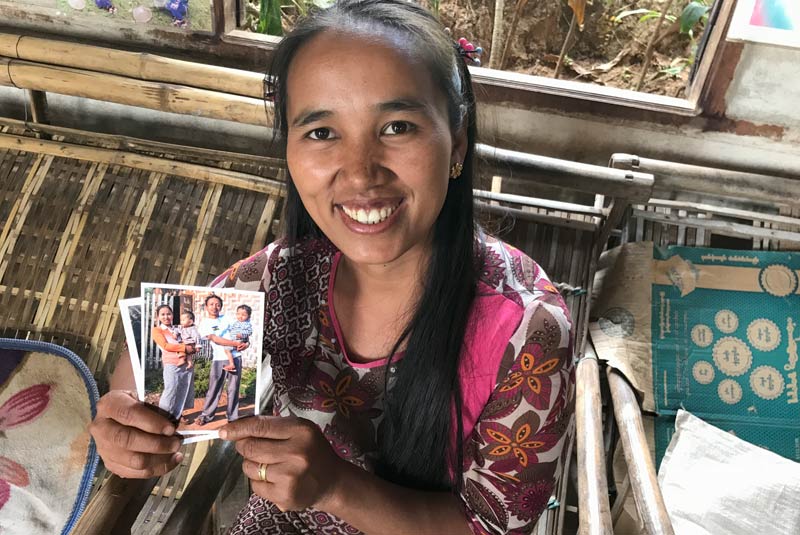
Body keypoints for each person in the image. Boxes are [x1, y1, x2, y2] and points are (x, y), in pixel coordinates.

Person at [88, 1, 575, 533]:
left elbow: (495, 527)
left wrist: (336, 487)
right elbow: (156, 362)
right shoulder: (288, 275)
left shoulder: (526, 329)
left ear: (455, 142)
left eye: (397, 126)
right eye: (322, 132)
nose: (361, 173)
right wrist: (127, 416)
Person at [194, 295, 249, 425]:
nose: (215, 307)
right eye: (211, 304)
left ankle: (232, 416)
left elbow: (242, 332)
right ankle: (206, 415)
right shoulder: (204, 323)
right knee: (214, 388)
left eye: (217, 304)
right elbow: (216, 339)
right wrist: (235, 344)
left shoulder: (228, 318)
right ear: (206, 307)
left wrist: (246, 344)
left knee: (233, 388)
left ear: (221, 306)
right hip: (219, 359)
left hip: (235, 357)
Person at [150, 305, 196, 422]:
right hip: (171, 362)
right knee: (170, 389)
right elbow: (165, 346)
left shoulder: (178, 328)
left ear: (172, 315)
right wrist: (185, 348)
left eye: (168, 314)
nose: (166, 317)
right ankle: (163, 417)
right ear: (158, 317)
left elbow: (191, 339)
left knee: (183, 389)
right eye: (163, 314)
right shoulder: (157, 330)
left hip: (186, 362)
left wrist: (192, 348)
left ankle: (178, 414)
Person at [222, 305, 253, 372]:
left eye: (243, 315)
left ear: (249, 316)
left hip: (237, 342)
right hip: (219, 357)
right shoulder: (237, 322)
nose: (240, 316)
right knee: (227, 349)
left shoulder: (246, 324)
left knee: (227, 349)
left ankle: (231, 364)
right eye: (238, 314)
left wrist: (242, 336)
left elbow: (249, 332)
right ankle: (231, 364)